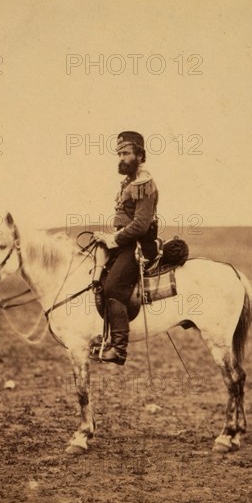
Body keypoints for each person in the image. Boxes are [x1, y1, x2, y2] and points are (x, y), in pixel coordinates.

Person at [92, 131, 159, 365]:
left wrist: (114, 239)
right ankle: (106, 338)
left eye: (126, 153)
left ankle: (119, 349)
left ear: (140, 155)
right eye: (119, 153)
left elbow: (140, 225)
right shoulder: (128, 183)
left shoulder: (144, 185)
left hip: (137, 246)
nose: (121, 158)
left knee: (112, 287)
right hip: (123, 243)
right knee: (96, 276)